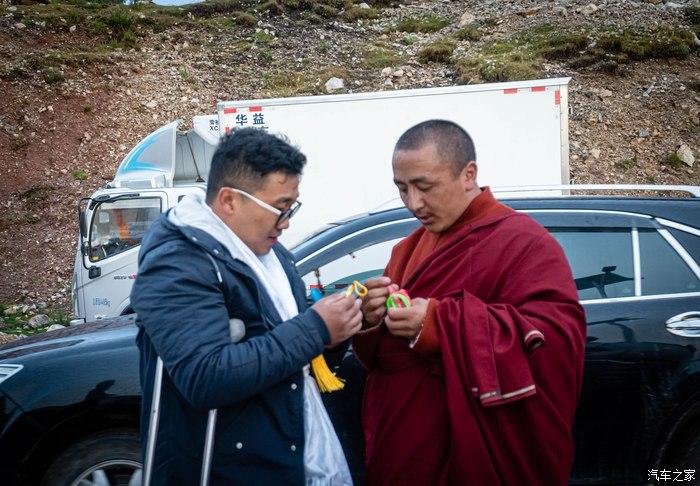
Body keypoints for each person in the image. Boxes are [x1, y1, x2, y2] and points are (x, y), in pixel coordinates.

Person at [353, 120, 587, 485]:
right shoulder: (408, 249)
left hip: (472, 450)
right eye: (402, 189)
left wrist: (437, 324)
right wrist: (371, 320)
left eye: (424, 187)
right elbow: (388, 357)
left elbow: (556, 337)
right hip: (403, 441)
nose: (413, 203)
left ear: (468, 174)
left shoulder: (524, 243)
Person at [131, 128, 361, 485]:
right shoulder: (177, 265)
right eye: (279, 209)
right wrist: (315, 328)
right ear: (229, 201)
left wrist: (336, 333)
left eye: (291, 207)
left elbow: (293, 366)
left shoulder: (271, 254)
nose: (286, 223)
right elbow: (205, 376)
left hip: (298, 461)